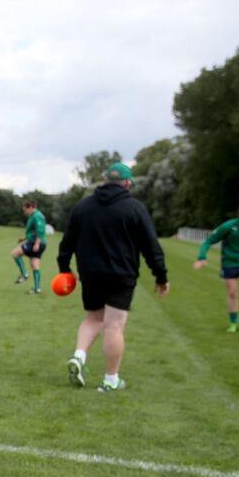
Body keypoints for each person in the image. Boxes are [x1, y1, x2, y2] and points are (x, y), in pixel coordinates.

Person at [58, 162, 169, 392]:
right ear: (127, 183)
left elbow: (67, 242)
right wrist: (161, 276)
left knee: (93, 319)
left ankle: (79, 356)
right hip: (121, 275)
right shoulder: (135, 208)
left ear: (106, 180)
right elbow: (151, 247)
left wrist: (64, 268)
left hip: (90, 274)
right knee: (114, 326)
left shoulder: (83, 206)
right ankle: (110, 380)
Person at [193, 198, 239, 332]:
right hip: (230, 263)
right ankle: (233, 323)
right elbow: (208, 241)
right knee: (232, 293)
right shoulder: (229, 226)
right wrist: (201, 257)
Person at [10, 199, 47, 294]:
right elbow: (33, 231)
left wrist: (37, 243)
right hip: (37, 242)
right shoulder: (33, 216)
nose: (24, 212)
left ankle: (24, 274)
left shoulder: (37, 216)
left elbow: (40, 230)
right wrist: (24, 239)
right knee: (35, 264)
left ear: (30, 207)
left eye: (25, 210)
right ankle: (37, 288)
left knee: (15, 253)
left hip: (35, 242)